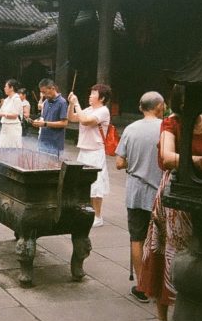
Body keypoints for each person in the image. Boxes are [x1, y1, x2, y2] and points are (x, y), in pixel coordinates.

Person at [141, 84, 202, 321]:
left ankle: (195, 314)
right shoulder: (171, 123)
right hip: (176, 196)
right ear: (181, 105)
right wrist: (194, 159)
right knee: (170, 253)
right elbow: (167, 156)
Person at [115, 91, 165, 303]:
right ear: (159, 106)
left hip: (135, 192)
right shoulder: (166, 129)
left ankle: (142, 286)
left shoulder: (130, 129)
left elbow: (119, 163)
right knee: (163, 239)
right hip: (160, 192)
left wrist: (135, 164)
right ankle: (162, 284)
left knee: (137, 237)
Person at [67, 84, 113, 226]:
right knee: (83, 184)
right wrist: (71, 104)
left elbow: (86, 121)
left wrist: (76, 103)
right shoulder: (88, 109)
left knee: (96, 186)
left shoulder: (103, 111)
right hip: (84, 150)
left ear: (102, 98)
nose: (90, 96)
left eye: (94, 94)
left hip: (95, 151)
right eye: (91, 93)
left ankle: (97, 216)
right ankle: (86, 212)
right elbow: (72, 118)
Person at [32, 78, 68, 157]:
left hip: (55, 143)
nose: (44, 95)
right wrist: (37, 122)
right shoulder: (46, 102)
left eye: (44, 92)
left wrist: (45, 124)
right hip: (43, 141)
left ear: (52, 88)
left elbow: (64, 123)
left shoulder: (62, 102)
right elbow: (43, 118)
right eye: (42, 92)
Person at [0, 79, 24, 148]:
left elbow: (15, 115)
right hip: (5, 126)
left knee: (13, 148)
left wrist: (1, 114)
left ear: (11, 88)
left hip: (13, 127)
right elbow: (0, 112)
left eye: (6, 86)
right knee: (3, 147)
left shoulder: (17, 99)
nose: (4, 88)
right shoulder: (6, 100)